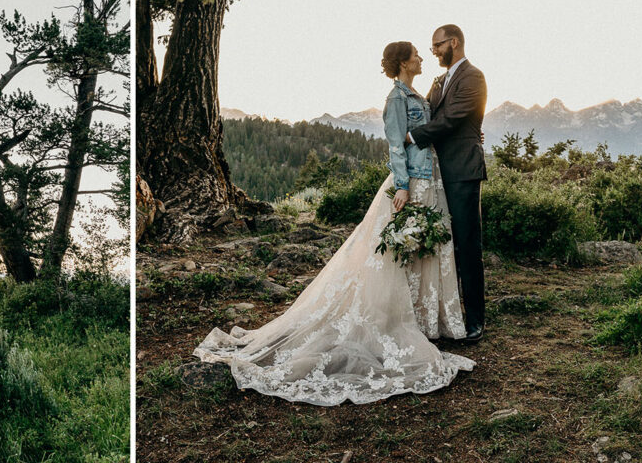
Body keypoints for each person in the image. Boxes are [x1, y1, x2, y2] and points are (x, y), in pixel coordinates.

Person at [192, 41, 473, 405]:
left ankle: (422, 317)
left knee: (421, 247)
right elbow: (394, 145)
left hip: (429, 179)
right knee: (399, 249)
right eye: (416, 54)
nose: (422, 57)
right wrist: (402, 187)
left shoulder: (416, 92)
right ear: (404, 62)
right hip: (412, 184)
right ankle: (397, 319)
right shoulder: (396, 99)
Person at [407, 24, 488, 342]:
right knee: (442, 246)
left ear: (454, 42)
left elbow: (452, 118)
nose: (435, 52)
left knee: (467, 245)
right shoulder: (438, 81)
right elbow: (430, 113)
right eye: (432, 48)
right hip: (438, 173)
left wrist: (411, 136)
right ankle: (445, 314)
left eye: (437, 46)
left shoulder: (473, 76)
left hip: (463, 170)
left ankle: (476, 321)